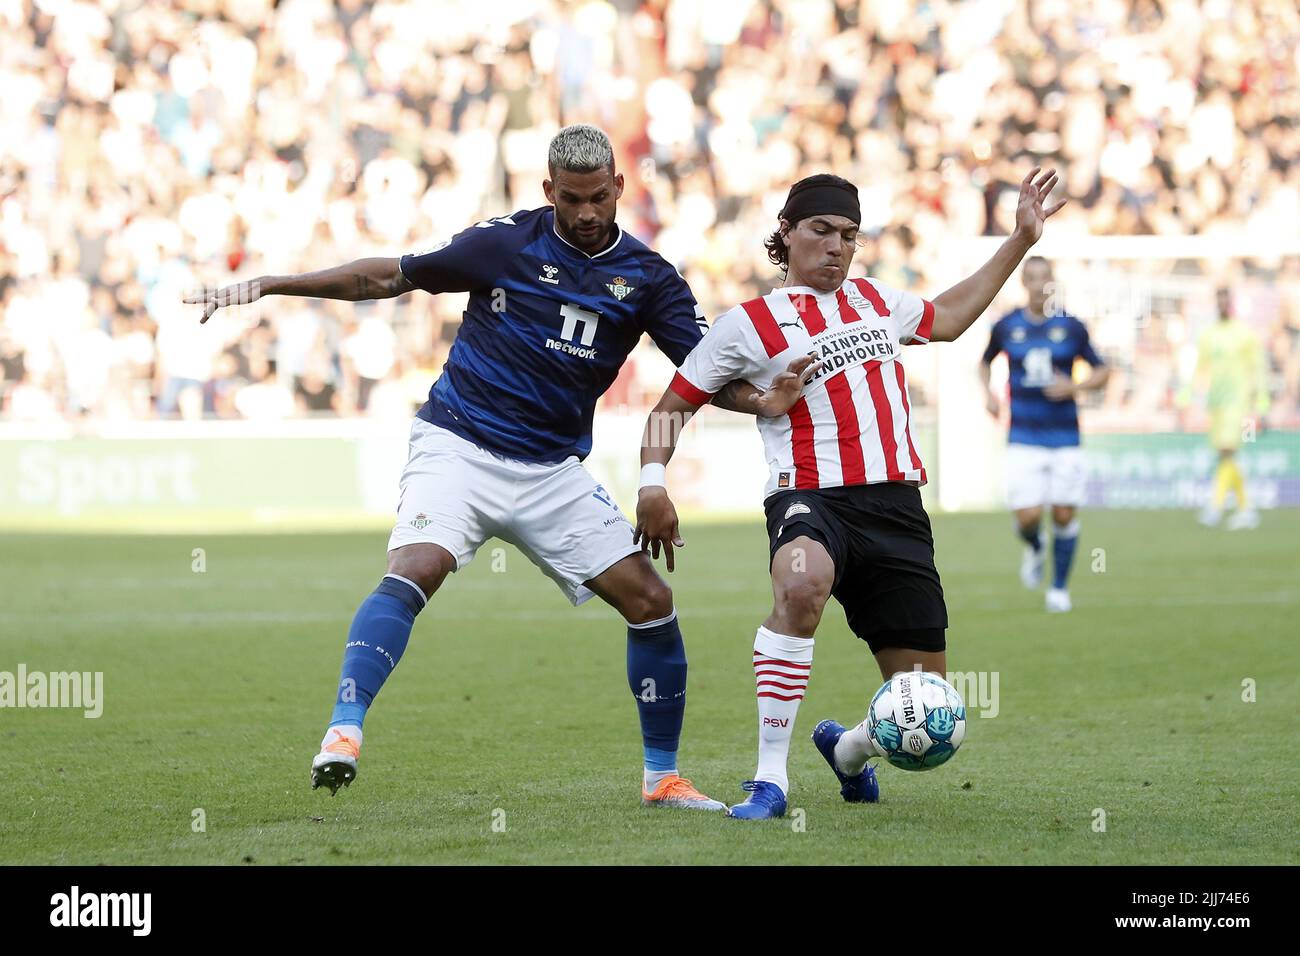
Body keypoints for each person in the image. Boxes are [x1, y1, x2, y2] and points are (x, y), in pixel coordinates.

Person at [186, 125, 765, 811]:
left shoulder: (648, 280)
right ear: (549, 191)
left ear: (619, 188)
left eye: (600, 198)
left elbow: (701, 376)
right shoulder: (503, 243)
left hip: (550, 471)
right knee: (416, 567)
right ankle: (344, 730)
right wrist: (274, 284)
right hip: (458, 444)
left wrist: (759, 398)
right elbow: (389, 275)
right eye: (572, 199)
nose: (586, 213)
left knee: (651, 601)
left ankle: (661, 778)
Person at [634, 168, 1065, 819]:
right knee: (800, 587)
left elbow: (947, 319)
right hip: (810, 499)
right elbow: (671, 409)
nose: (837, 246)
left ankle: (849, 752)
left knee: (925, 708)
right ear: (786, 232)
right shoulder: (744, 325)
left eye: (849, 235)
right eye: (822, 230)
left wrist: (1019, 241)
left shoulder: (875, 301)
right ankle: (769, 782)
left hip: (895, 506)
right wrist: (651, 483)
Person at [978, 256, 1109, 613]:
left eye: (1044, 278)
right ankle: (1035, 546)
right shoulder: (1007, 326)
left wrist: (1076, 386)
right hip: (1023, 435)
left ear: (1053, 282)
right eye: (1032, 278)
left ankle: (1059, 588)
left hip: (1065, 436)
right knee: (1028, 517)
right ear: (1024, 282)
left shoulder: (1072, 326)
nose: (1038, 284)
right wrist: (988, 393)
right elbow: (985, 361)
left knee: (1064, 514)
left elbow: (1102, 370)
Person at [1184, 287, 1270, 530]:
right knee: (1226, 454)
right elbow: (1201, 366)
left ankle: (1216, 506)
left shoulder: (1245, 334)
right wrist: (1189, 393)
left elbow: (1258, 367)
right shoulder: (1209, 334)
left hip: (1239, 401)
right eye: (1219, 301)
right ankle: (1246, 508)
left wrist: (1262, 398)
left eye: (1226, 301)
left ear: (1232, 304)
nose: (1222, 305)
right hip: (1217, 402)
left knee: (1228, 448)